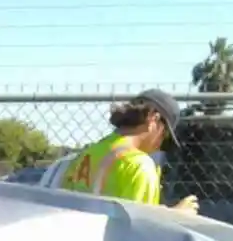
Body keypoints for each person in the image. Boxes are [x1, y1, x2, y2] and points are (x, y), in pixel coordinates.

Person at [54, 88, 198, 212]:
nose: (160, 146)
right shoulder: (139, 165)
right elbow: (141, 233)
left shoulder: (88, 153)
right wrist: (177, 217)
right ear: (153, 119)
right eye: (164, 135)